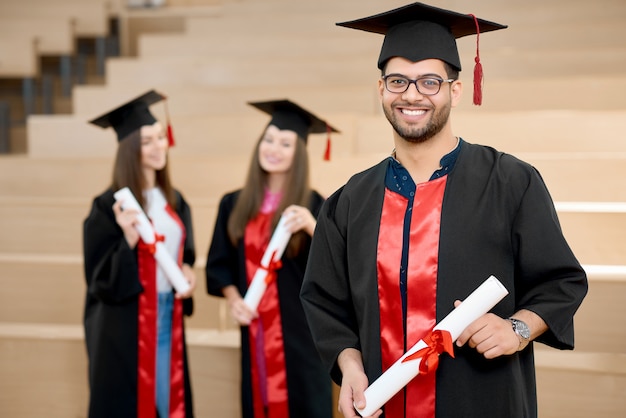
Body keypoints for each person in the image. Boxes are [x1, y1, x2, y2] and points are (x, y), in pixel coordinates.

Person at [299, 3, 588, 418]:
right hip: (381, 401)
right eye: (398, 81)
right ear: (381, 89)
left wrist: (517, 329)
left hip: (481, 401)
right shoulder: (348, 202)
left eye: (429, 82)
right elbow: (326, 302)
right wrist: (349, 366)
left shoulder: (511, 182)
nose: (412, 94)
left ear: (455, 90)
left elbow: (562, 281)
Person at [205, 99, 338, 418]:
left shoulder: (313, 203)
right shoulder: (233, 203)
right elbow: (219, 264)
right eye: (268, 139)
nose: (273, 148)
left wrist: (311, 226)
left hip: (301, 336)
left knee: (306, 404)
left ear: (299, 154)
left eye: (285, 143)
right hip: (255, 329)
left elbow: (337, 264)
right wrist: (234, 298)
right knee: (258, 401)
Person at [83, 90, 196, 418]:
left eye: (160, 137)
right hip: (125, 326)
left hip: (166, 314)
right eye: (147, 141)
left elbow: (185, 252)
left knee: (167, 398)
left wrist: (187, 268)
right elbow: (98, 278)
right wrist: (129, 239)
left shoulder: (175, 200)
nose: (159, 146)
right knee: (130, 403)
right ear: (129, 149)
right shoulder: (108, 206)